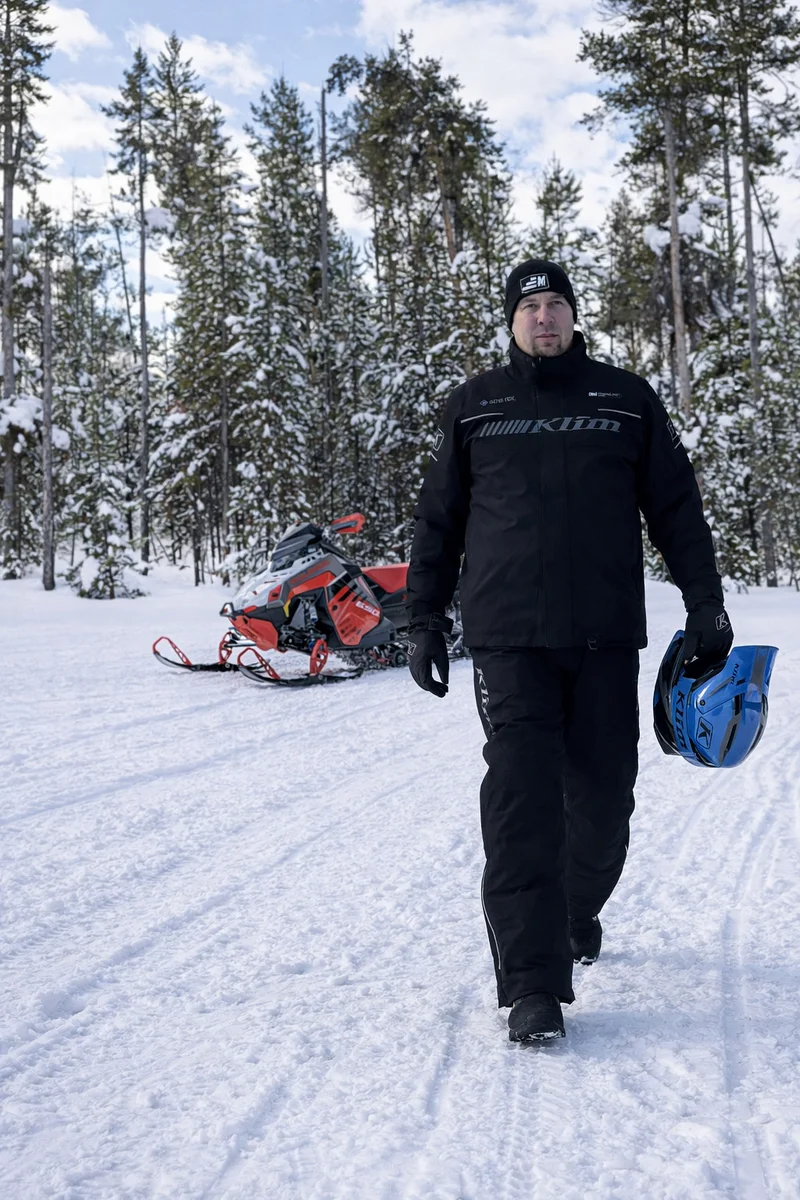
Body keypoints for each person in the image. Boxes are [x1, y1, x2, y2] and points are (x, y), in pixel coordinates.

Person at [405, 259, 733, 1043]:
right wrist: (422, 619)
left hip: (604, 635)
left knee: (603, 803)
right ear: (511, 321)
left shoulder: (625, 401)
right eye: (530, 307)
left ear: (574, 317)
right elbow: (437, 521)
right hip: (509, 640)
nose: (543, 318)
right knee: (520, 803)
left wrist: (706, 602)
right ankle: (532, 986)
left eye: (556, 305)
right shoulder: (474, 406)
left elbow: (676, 507)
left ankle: (577, 909)